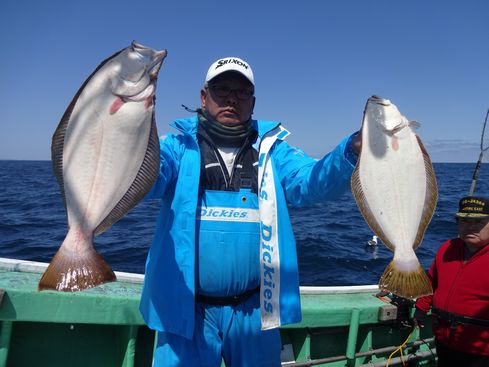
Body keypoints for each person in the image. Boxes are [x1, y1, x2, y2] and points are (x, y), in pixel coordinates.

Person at [139, 57, 361, 366]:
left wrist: (351, 149)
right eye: (221, 89)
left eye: (242, 92)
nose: (232, 98)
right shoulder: (177, 147)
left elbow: (310, 183)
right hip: (185, 309)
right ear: (204, 97)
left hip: (256, 310)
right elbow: (145, 178)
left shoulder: (273, 150)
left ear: (253, 102)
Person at [414, 196, 489, 367]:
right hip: (444, 340)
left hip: (480, 350)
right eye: (464, 220)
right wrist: (421, 308)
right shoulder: (448, 248)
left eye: (479, 221)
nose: (470, 226)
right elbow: (432, 280)